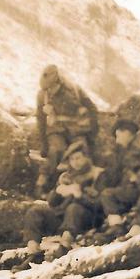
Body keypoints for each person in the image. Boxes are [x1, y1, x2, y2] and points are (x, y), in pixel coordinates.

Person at [19, 140, 107, 267]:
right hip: (65, 218)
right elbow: (52, 203)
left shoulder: (98, 174)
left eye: (78, 158)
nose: (75, 162)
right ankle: (34, 253)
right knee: (35, 211)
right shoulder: (67, 176)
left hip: (89, 218)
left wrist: (79, 195)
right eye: (72, 159)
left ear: (87, 158)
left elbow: (101, 204)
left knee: (74, 208)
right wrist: (57, 192)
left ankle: (64, 247)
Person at [36, 64, 98, 194]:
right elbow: (41, 119)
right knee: (57, 150)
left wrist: (93, 131)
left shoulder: (75, 90)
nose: (50, 92)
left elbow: (92, 108)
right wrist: (43, 144)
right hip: (56, 131)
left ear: (59, 82)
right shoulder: (42, 95)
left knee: (82, 152)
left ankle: (84, 185)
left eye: (52, 88)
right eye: (47, 89)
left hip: (76, 130)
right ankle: (42, 184)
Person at [99, 118, 140, 238]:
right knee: (108, 194)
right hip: (136, 186)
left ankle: (138, 227)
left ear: (127, 133)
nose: (117, 141)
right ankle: (116, 227)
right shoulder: (125, 152)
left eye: (118, 136)